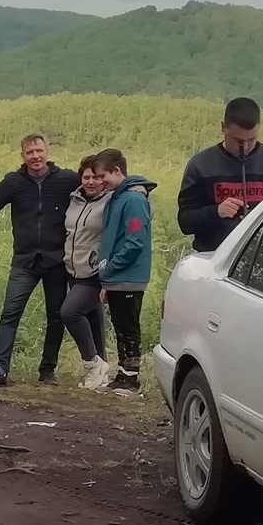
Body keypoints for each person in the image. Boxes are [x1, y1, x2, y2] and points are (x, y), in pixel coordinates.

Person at [0, 134, 79, 390]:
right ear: (22, 156)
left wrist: (133, 187)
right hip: (25, 260)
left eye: (39, 150)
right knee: (10, 314)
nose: (35, 156)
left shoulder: (66, 179)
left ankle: (47, 370)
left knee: (57, 317)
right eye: (30, 152)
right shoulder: (14, 182)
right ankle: (0, 369)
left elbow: (96, 184)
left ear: (47, 151)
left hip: (56, 260)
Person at [177, 97, 263, 253]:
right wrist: (216, 211)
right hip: (214, 257)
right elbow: (185, 222)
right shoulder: (200, 165)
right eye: (237, 140)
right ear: (223, 128)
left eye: (251, 139)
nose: (244, 147)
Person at [93, 149, 155, 397]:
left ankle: (132, 380)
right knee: (120, 326)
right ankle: (123, 376)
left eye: (103, 176)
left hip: (129, 276)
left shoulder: (134, 201)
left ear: (117, 171)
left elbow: (135, 241)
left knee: (128, 327)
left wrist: (110, 266)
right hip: (117, 278)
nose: (99, 182)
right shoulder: (116, 198)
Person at [59, 154, 113, 390]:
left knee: (70, 312)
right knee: (93, 319)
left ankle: (93, 364)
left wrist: (107, 275)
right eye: (87, 177)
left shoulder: (111, 202)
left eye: (97, 177)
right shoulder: (74, 200)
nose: (91, 182)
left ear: (104, 179)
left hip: (95, 272)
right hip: (73, 268)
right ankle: (102, 373)